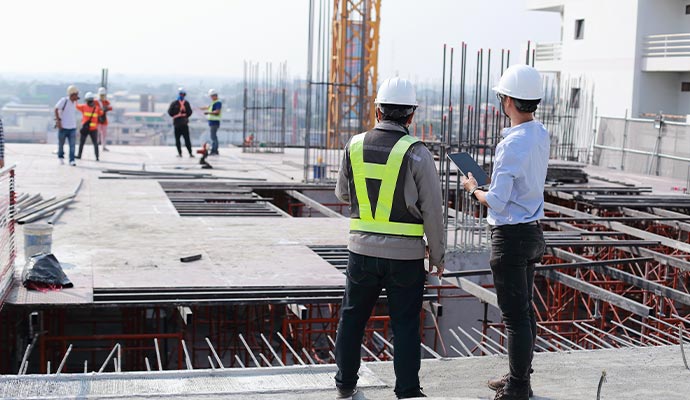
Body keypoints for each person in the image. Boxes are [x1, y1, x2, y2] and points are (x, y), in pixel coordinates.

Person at [334, 77, 445, 400]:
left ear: (377, 110)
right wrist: (437, 257)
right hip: (406, 258)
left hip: (361, 253)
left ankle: (344, 385)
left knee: (352, 318)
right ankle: (407, 392)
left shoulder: (353, 145)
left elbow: (342, 192)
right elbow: (433, 213)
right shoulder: (418, 153)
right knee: (406, 325)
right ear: (411, 116)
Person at [460, 64, 549, 400]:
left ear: (508, 100)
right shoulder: (540, 133)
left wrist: (473, 188)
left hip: (510, 237)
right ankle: (519, 375)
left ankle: (518, 387)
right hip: (532, 233)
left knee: (515, 318)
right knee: (524, 312)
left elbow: (496, 202)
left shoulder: (510, 145)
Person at [54, 85, 80, 166]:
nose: (77, 96)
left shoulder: (75, 102)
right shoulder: (64, 100)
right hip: (63, 127)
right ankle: (60, 157)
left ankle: (72, 160)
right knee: (61, 144)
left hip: (72, 127)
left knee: (72, 145)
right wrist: (58, 120)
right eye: (76, 94)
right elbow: (56, 109)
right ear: (72, 94)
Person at [76, 92, 103, 161]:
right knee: (95, 144)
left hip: (85, 128)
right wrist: (99, 103)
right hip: (93, 129)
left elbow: (76, 106)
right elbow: (101, 112)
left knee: (82, 143)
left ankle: (79, 155)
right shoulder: (96, 108)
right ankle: (97, 157)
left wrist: (76, 98)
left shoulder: (84, 107)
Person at [167, 87, 194, 157]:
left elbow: (190, 112)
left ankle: (190, 152)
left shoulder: (185, 103)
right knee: (178, 140)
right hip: (178, 124)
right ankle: (180, 153)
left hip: (183, 124)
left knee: (186, 139)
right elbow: (170, 112)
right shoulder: (175, 103)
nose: (182, 96)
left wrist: (183, 116)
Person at [202, 89, 222, 155]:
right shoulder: (213, 103)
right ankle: (214, 149)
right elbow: (207, 107)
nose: (210, 97)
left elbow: (217, 111)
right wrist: (199, 108)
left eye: (211, 96)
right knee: (213, 136)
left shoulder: (218, 102)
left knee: (213, 137)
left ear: (214, 96)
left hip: (215, 122)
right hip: (212, 122)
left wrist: (208, 112)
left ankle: (214, 150)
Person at [96, 87, 113, 152]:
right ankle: (96, 146)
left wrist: (106, 108)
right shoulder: (96, 101)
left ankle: (103, 146)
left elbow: (111, 107)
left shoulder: (106, 102)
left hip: (104, 120)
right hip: (98, 120)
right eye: (101, 95)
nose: (102, 96)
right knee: (97, 134)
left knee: (104, 134)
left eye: (103, 95)